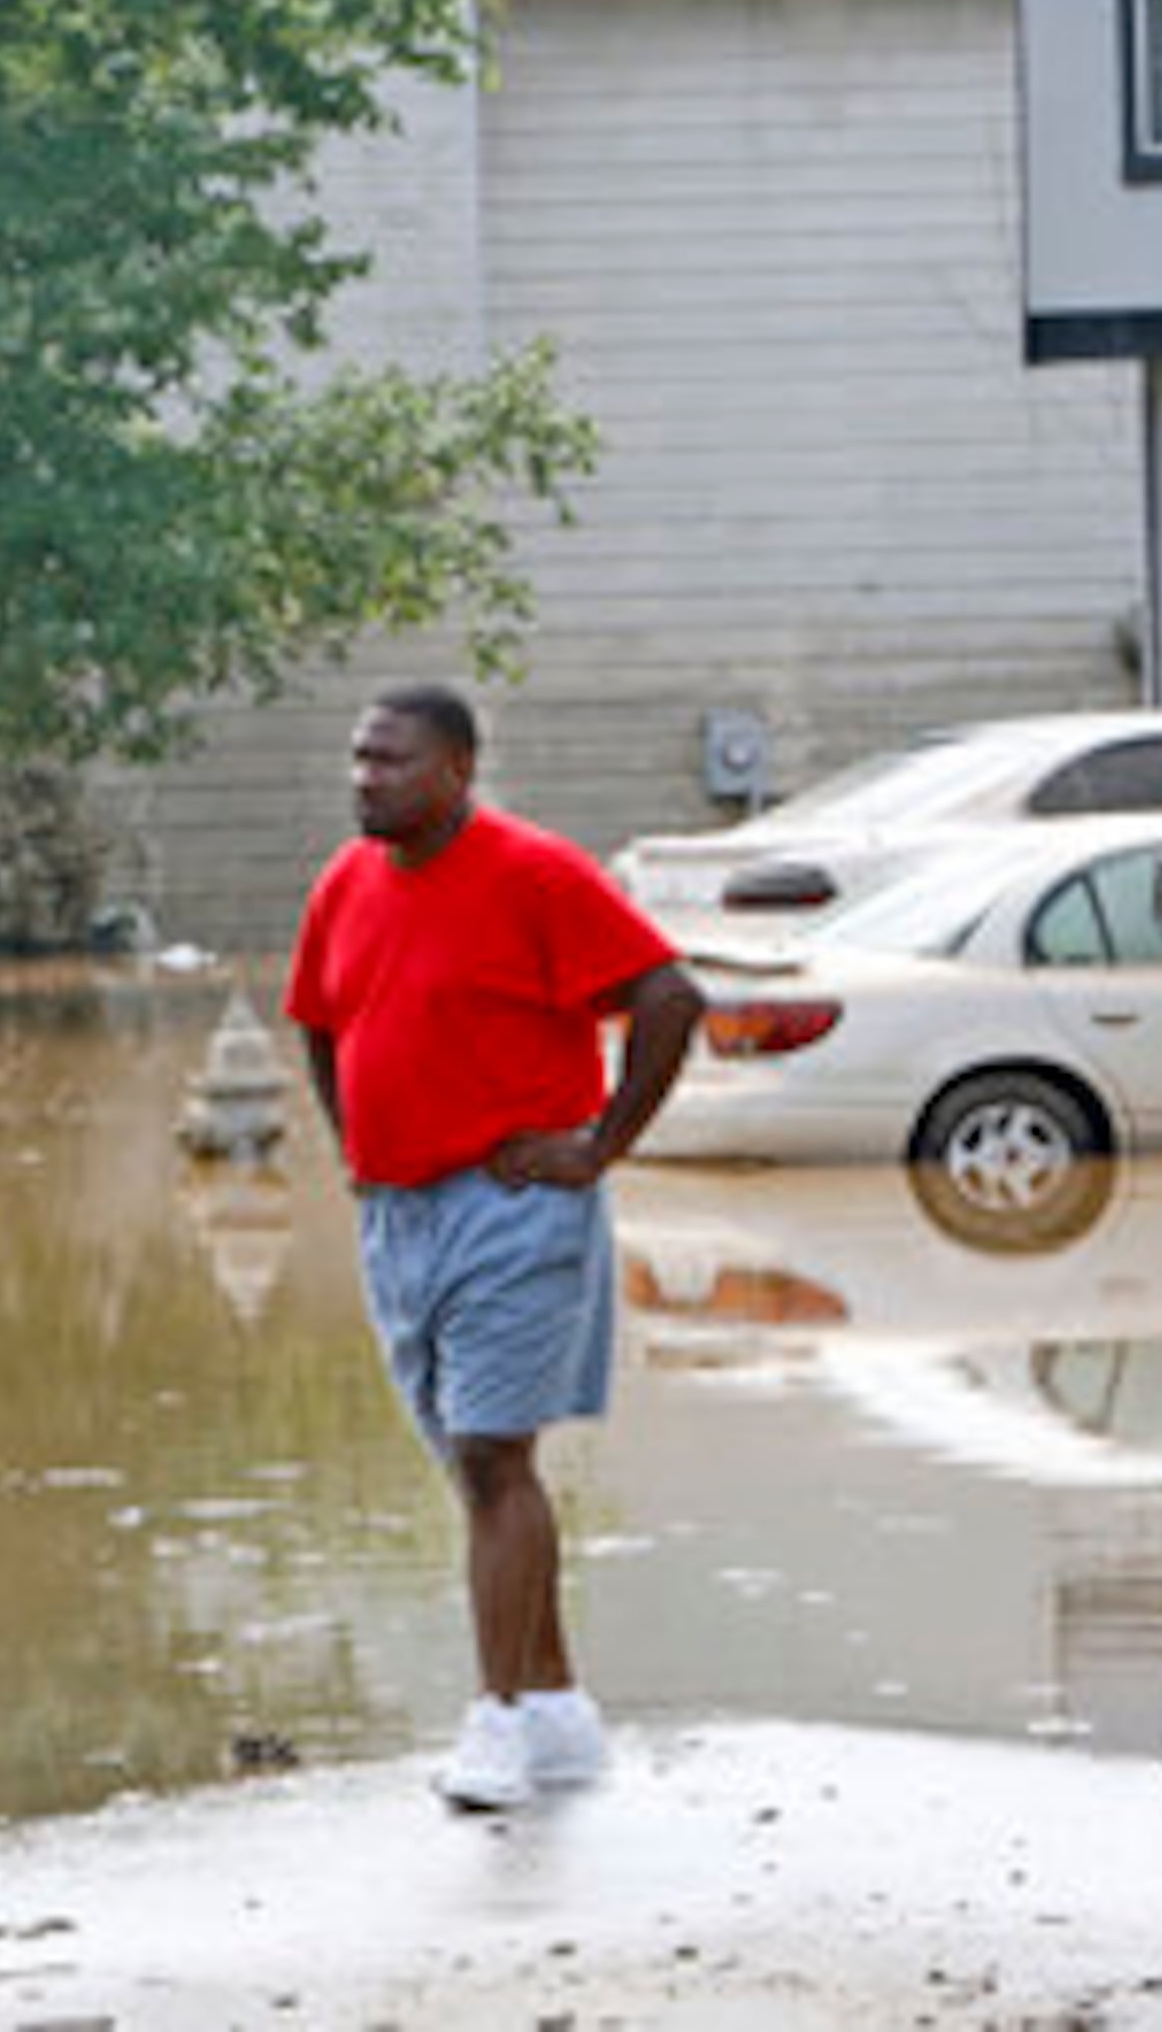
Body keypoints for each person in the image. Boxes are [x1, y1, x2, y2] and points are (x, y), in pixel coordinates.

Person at [282, 683, 704, 1811]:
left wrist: (601, 1144)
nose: (367, 778)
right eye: (359, 758)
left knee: (491, 1456)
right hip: (399, 1212)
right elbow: (322, 1022)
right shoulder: (345, 880)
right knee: (476, 1469)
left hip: (512, 1206)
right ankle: (559, 1708)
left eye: (393, 761)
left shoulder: (536, 872)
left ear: (457, 771)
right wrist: (352, 1146)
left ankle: (499, 1720)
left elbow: (670, 996)